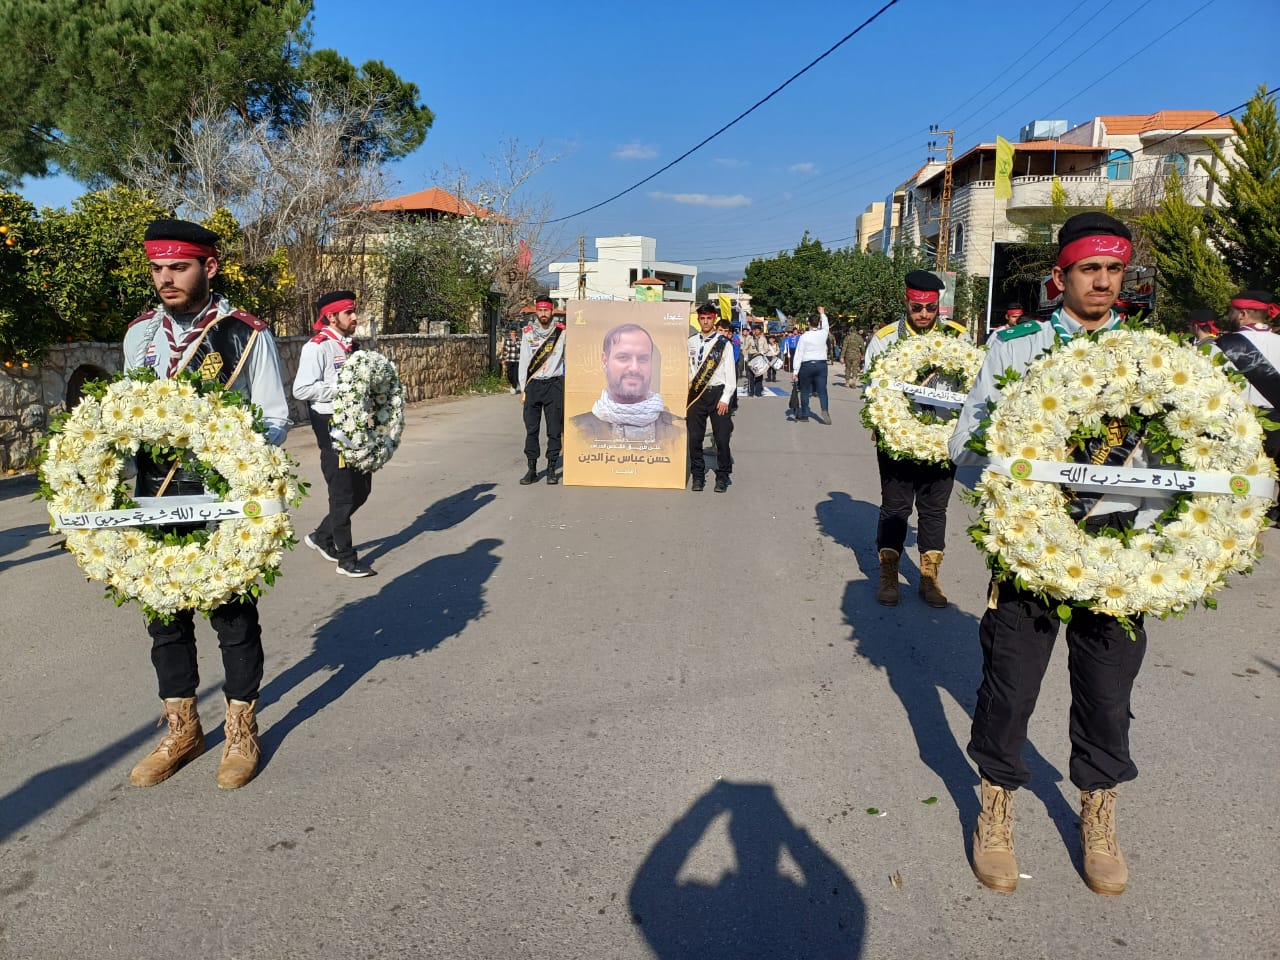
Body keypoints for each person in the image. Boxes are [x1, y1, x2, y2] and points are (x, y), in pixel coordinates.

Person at [948, 212, 1149, 897]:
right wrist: (1016, 509)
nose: (1101, 282)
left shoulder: (1154, 355)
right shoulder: (1014, 346)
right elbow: (967, 444)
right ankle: (996, 809)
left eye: (1113, 269)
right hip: (1031, 552)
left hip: (1117, 556)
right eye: (1088, 269)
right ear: (1059, 276)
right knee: (1010, 687)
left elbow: (1182, 454)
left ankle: (1098, 814)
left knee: (1107, 692)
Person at [122, 218, 290, 791]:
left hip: (222, 500)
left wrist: (223, 451)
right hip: (154, 498)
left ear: (209, 267)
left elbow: (272, 418)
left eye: (179, 267)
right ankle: (183, 729)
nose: (165, 279)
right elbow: (123, 420)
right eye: (158, 268)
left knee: (232, 619)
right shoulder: (139, 336)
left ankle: (241, 730)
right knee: (164, 618)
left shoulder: (244, 333)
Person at [863, 271, 968, 608]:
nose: (924, 314)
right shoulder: (885, 339)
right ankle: (889, 576)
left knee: (935, 510)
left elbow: (974, 387)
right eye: (917, 307)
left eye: (931, 308)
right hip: (898, 442)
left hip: (942, 442)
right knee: (895, 509)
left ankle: (929, 578)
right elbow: (871, 389)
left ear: (939, 306)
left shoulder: (958, 339)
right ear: (906, 303)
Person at [293, 290, 376, 579]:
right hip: (331, 424)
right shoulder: (317, 347)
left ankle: (321, 537)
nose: (355, 317)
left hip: (354, 423)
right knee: (341, 493)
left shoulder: (352, 345)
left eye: (354, 311)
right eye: (349, 312)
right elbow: (301, 389)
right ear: (331, 316)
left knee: (362, 490)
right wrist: (343, 390)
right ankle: (346, 559)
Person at [1213, 290, 1280, 517]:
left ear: (1242, 314)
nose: (1229, 316)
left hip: (1241, 422)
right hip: (1278, 423)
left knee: (1239, 481)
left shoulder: (1223, 345)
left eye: (1231, 311)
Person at [570, 322, 683, 445]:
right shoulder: (578, 428)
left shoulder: (678, 430)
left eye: (643, 359)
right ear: (604, 361)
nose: (634, 368)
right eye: (623, 357)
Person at [518, 295, 566, 485]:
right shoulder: (528, 332)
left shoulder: (562, 332)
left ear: (552, 311)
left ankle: (552, 468)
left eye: (546, 310)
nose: (543, 314)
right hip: (534, 384)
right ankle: (532, 469)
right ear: (536, 311)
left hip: (554, 384)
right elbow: (523, 361)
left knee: (554, 429)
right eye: (540, 310)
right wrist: (523, 388)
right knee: (532, 429)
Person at [687, 303, 735, 492]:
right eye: (702, 318)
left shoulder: (724, 344)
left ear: (714, 319)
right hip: (696, 395)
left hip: (718, 394)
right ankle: (698, 475)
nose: (705, 321)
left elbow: (730, 374)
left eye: (709, 318)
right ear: (698, 320)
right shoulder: (691, 342)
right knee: (695, 438)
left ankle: (722, 476)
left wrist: (725, 398)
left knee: (722, 438)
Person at [791, 307, 831, 423]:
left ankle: (805, 414)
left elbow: (799, 354)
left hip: (807, 365)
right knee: (822, 390)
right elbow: (826, 325)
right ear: (818, 323)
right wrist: (822, 313)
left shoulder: (804, 337)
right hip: (821, 364)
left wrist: (795, 371)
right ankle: (825, 409)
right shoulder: (823, 334)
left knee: (804, 390)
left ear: (808, 323)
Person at [743, 323, 767, 397]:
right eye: (755, 330)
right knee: (751, 375)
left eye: (758, 330)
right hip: (751, 357)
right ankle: (751, 392)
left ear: (760, 331)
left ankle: (758, 392)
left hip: (759, 357)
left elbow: (766, 348)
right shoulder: (750, 338)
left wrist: (763, 351)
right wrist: (746, 356)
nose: (756, 331)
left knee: (759, 375)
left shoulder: (763, 339)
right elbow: (745, 348)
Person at [502, 326, 521, 393]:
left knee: (515, 374)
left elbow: (520, 349)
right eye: (512, 332)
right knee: (509, 374)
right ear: (510, 333)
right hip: (509, 359)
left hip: (517, 360)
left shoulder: (519, 340)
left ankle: (514, 387)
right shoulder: (507, 340)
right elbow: (505, 350)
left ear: (516, 333)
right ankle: (513, 384)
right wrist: (503, 359)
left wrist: (515, 341)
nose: (513, 334)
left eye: (514, 332)